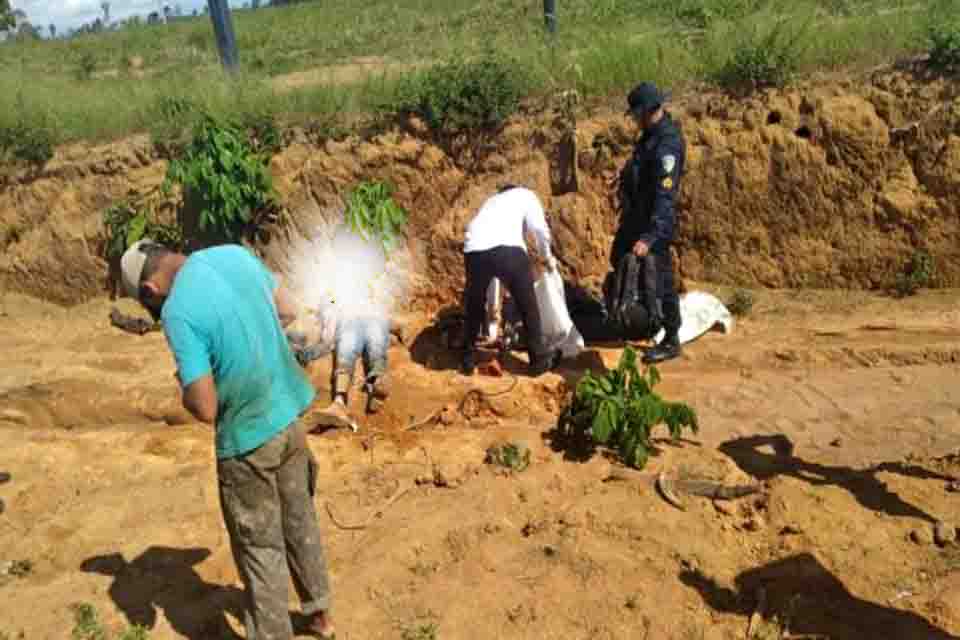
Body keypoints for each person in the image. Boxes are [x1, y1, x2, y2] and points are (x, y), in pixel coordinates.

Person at [119, 239, 336, 640]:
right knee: (299, 519)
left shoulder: (178, 313)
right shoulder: (233, 254)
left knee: (260, 549)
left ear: (149, 291)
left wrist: (186, 386)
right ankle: (320, 616)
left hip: (247, 441)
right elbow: (287, 310)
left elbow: (204, 407)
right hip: (288, 415)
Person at [611, 81, 687, 364]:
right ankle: (635, 317)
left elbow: (665, 196)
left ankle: (670, 337)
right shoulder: (649, 136)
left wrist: (651, 236)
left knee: (662, 279)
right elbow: (639, 172)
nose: (633, 120)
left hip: (655, 224)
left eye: (635, 114)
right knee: (618, 255)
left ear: (647, 111)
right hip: (637, 217)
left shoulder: (667, 143)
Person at [461, 184, 558, 376]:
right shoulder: (526, 194)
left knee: (474, 302)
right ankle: (538, 360)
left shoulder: (491, 201)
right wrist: (546, 257)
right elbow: (539, 229)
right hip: (509, 251)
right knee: (527, 304)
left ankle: (467, 359)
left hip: (474, 251)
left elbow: (475, 229)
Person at [309, 224, 392, 432]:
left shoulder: (372, 275)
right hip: (356, 317)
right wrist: (328, 324)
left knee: (367, 341)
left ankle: (371, 385)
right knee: (356, 343)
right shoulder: (339, 277)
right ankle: (341, 402)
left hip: (369, 316)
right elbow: (328, 304)